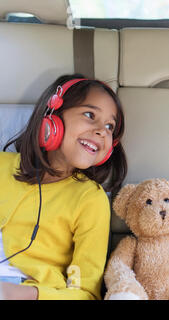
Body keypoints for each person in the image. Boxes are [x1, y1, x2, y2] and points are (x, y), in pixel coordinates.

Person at [0, 74, 127, 299]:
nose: (102, 131)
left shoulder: (90, 199)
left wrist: (23, 294)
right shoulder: (2, 165)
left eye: (110, 126)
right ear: (52, 118)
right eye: (90, 115)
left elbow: (86, 292)